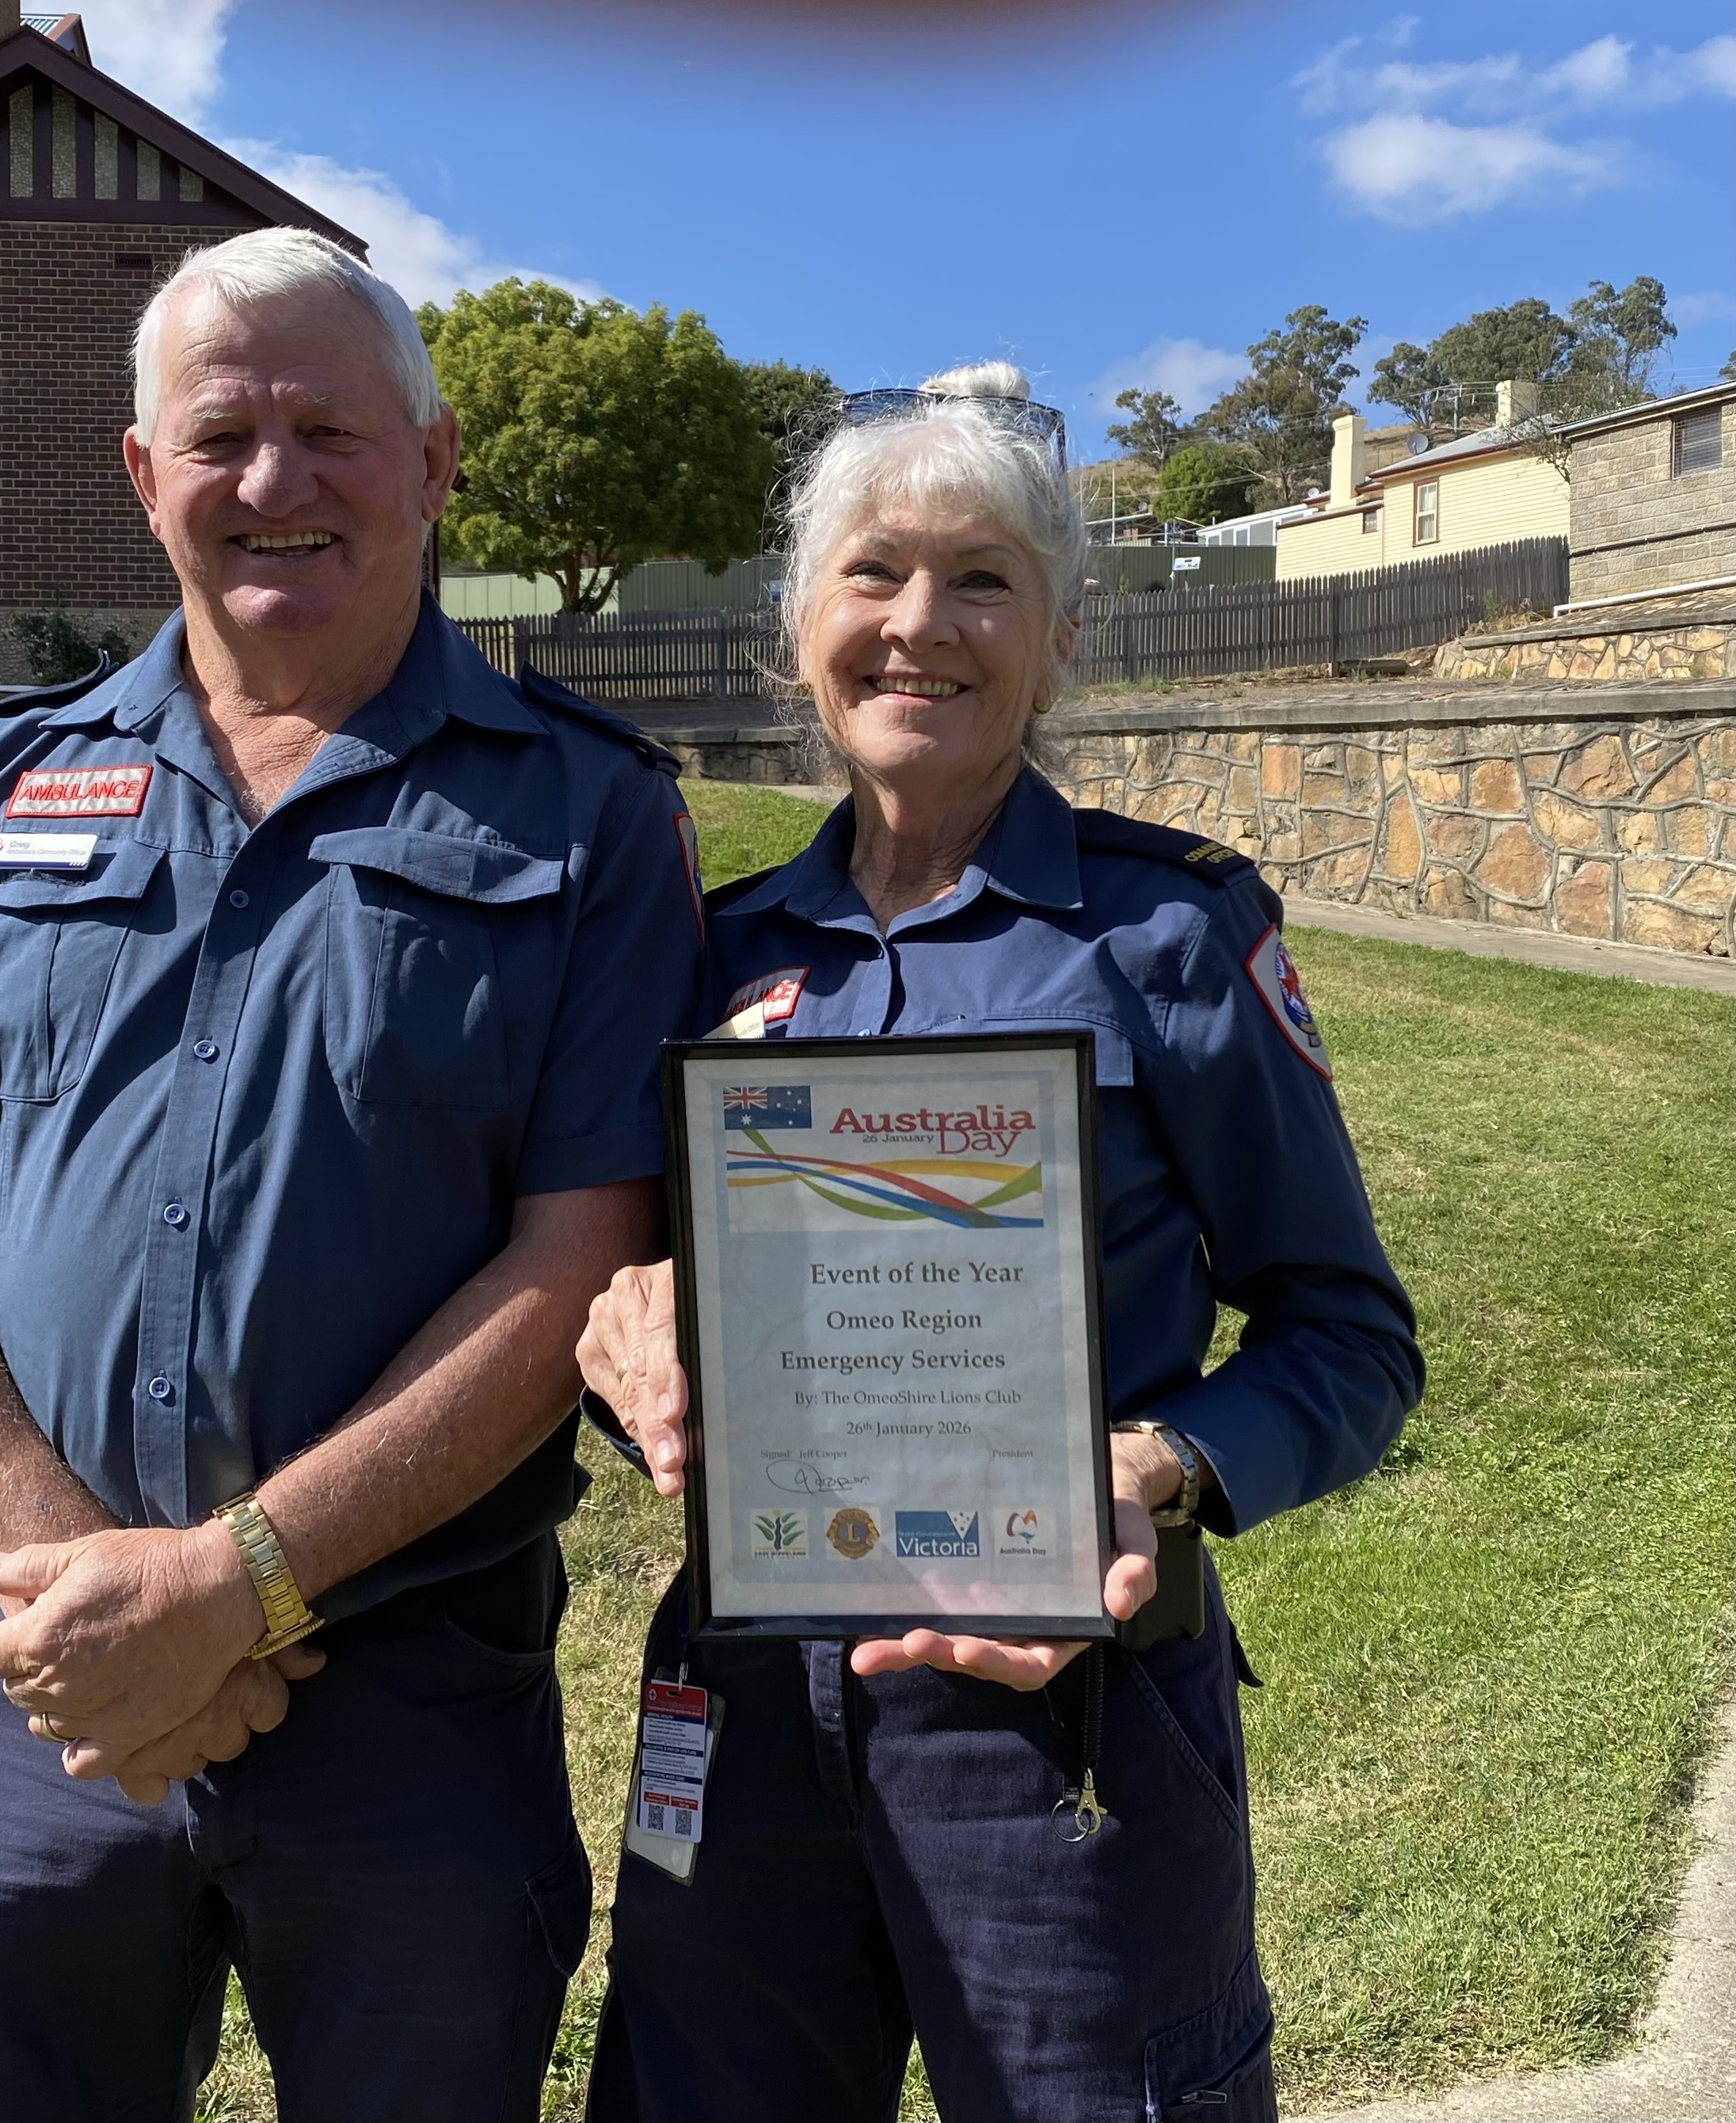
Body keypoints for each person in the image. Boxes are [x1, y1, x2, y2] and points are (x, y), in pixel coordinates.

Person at [0, 226, 703, 2123]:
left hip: (410, 1706)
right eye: (222, 434)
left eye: (332, 432)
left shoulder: (592, 813)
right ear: (141, 473)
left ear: (434, 464)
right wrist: (100, 1599)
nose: (276, 483)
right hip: (41, 1687)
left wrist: (240, 1582)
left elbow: (577, 1252)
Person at [574, 363, 1425, 2123]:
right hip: (741, 1710)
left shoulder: (1172, 934)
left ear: (1058, 641)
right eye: (872, 573)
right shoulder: (704, 953)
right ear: (797, 626)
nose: (920, 626)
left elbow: (1352, 1341)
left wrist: (1165, 1465)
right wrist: (622, 1350)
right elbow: (640, 1313)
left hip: (1067, 1717)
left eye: (983, 582)